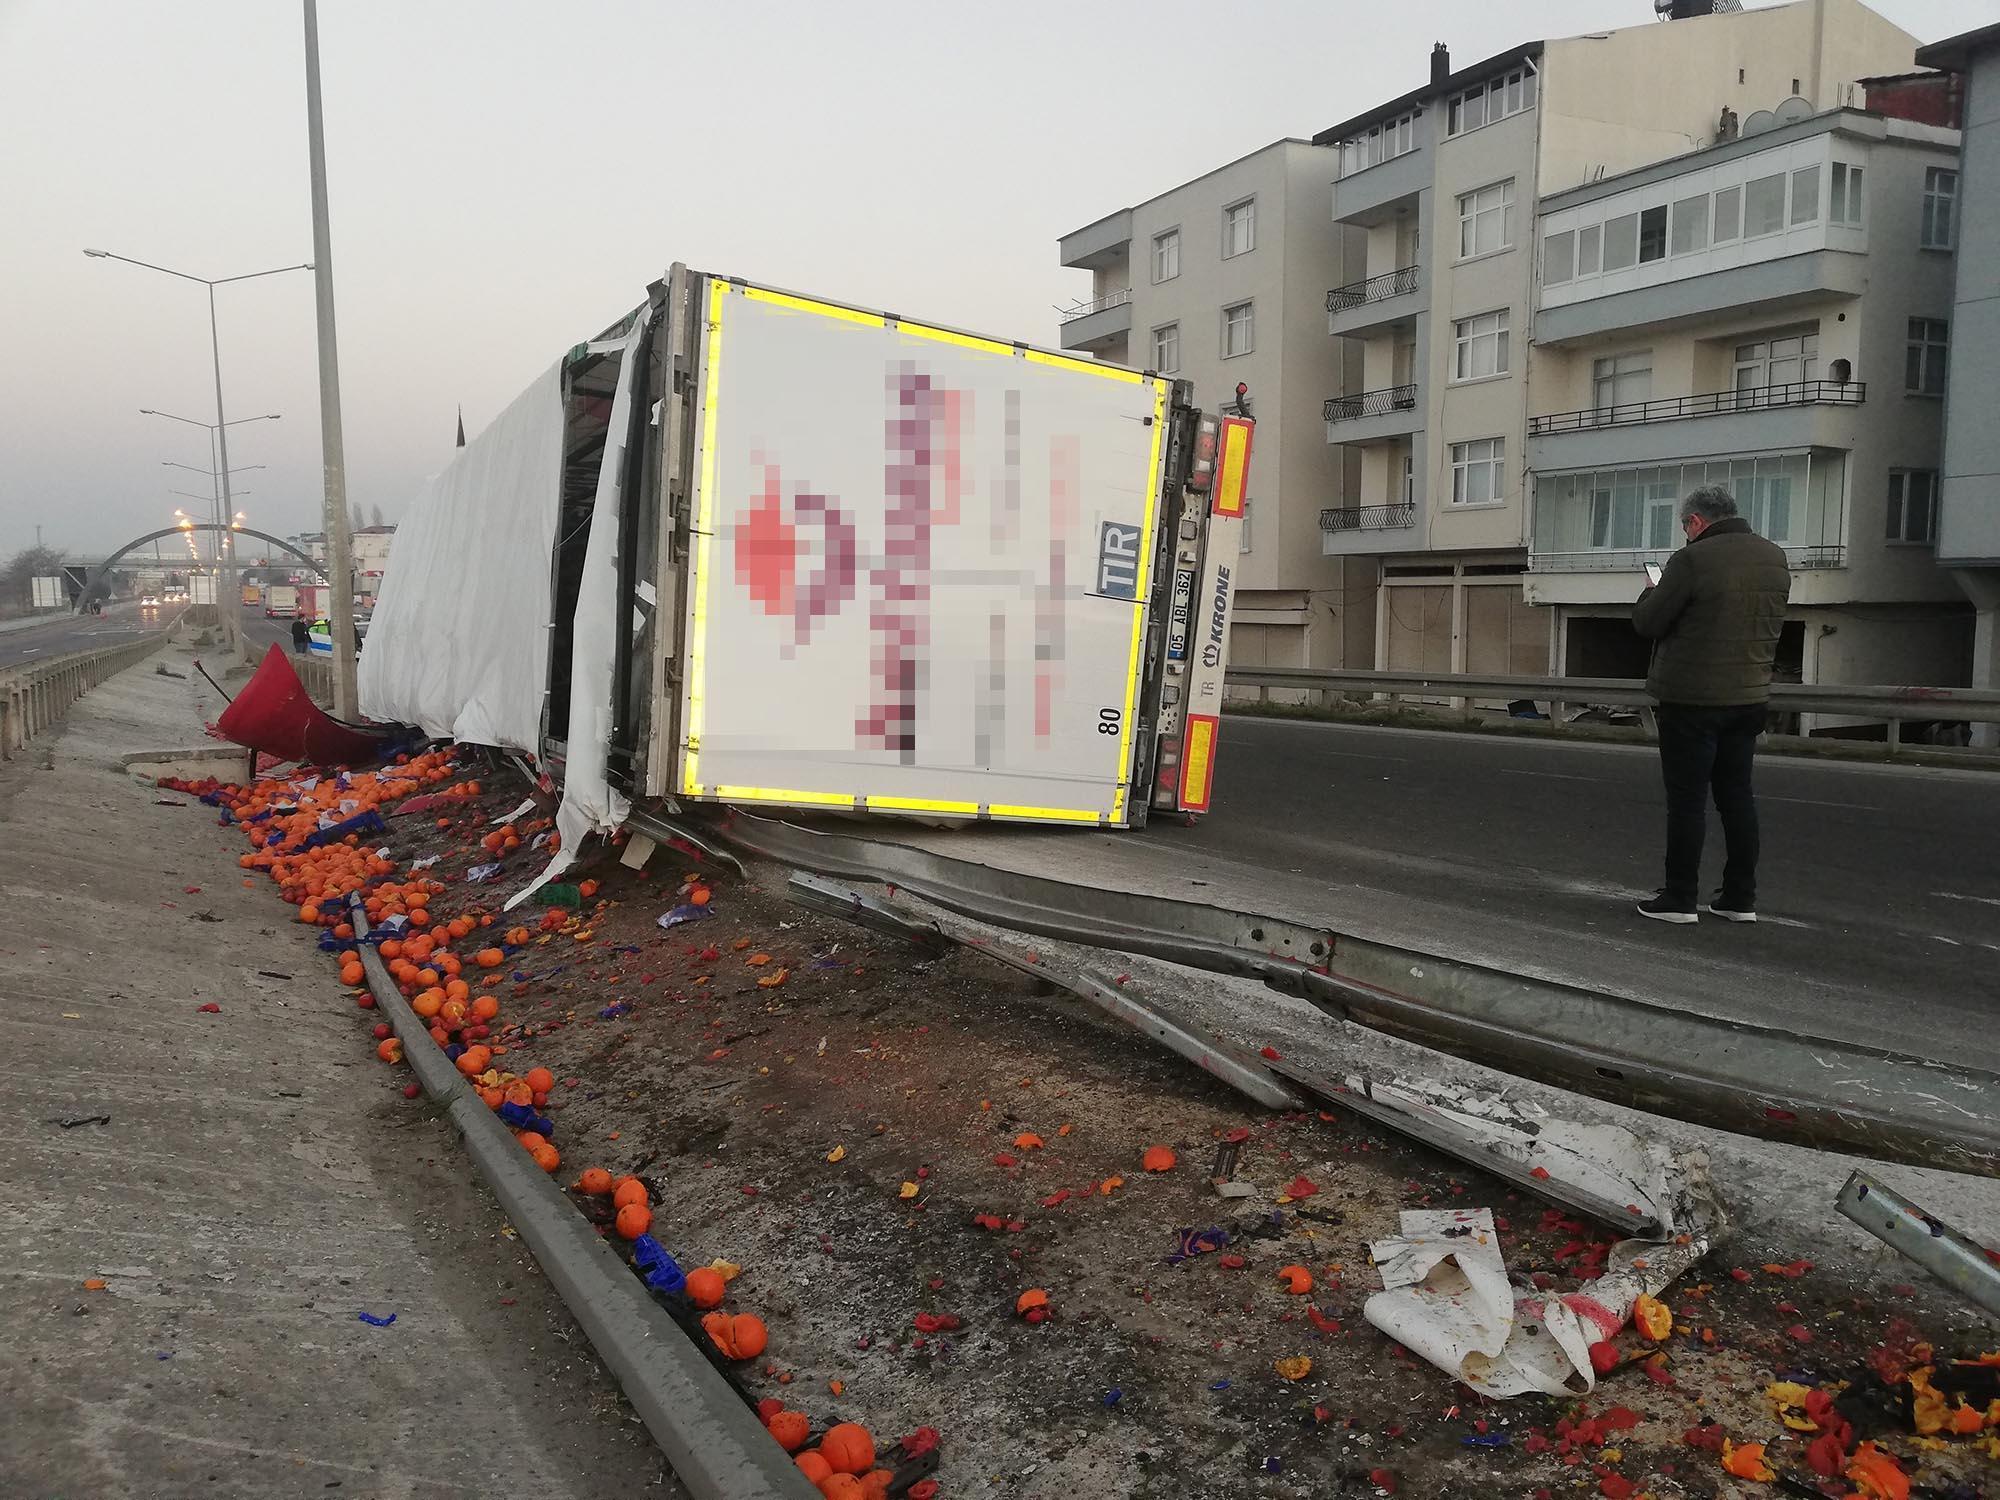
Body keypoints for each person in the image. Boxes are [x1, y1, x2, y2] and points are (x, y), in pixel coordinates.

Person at [1630, 485, 1791, 924]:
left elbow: (1649, 622)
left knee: (1687, 802)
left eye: (1686, 526)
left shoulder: (1692, 560)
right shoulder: (1774, 557)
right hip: (1749, 697)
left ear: (1696, 522)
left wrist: (1650, 589)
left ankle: (1680, 898)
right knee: (1737, 797)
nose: (1686, 534)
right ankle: (1740, 898)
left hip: (1693, 699)